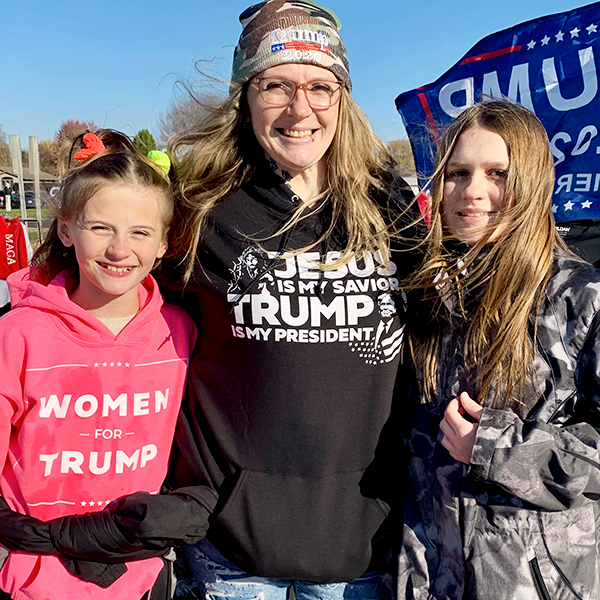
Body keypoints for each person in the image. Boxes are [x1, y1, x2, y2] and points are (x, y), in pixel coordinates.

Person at [0, 2, 418, 597]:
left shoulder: (388, 206)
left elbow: (446, 315)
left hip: (359, 539)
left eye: (322, 87)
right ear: (245, 95)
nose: (301, 108)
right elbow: (108, 304)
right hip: (232, 546)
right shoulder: (204, 208)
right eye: (277, 85)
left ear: (343, 98)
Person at [391, 99, 600, 599]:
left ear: (532, 182)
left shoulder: (580, 297)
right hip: (429, 577)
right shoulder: (423, 298)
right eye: (457, 172)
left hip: (535, 583)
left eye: (497, 173)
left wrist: (496, 447)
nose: (473, 192)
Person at [0, 130, 197, 600]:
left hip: (140, 574)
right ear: (67, 229)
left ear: (165, 243)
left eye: (140, 232)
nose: (119, 249)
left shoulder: (181, 332)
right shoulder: (18, 333)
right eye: (101, 227)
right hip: (33, 573)